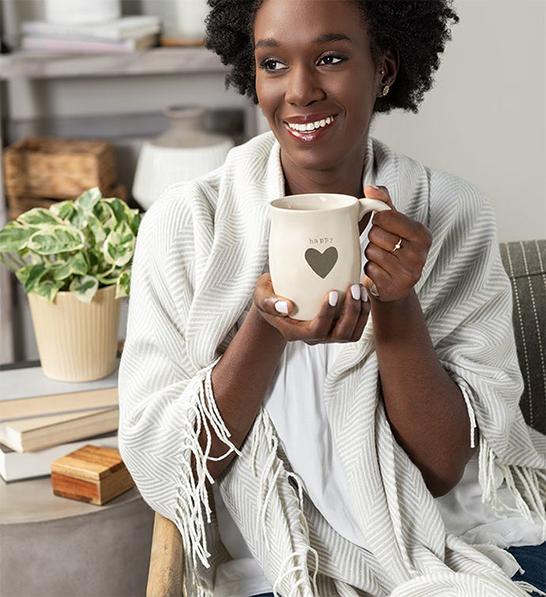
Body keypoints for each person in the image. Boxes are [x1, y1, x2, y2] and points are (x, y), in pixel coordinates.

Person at [118, 1, 546, 596]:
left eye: (331, 58)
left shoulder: (451, 213)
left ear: (385, 68)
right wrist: (264, 328)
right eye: (273, 63)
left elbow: (444, 469)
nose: (300, 91)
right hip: (281, 559)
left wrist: (398, 304)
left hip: (455, 540)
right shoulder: (187, 226)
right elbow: (173, 470)